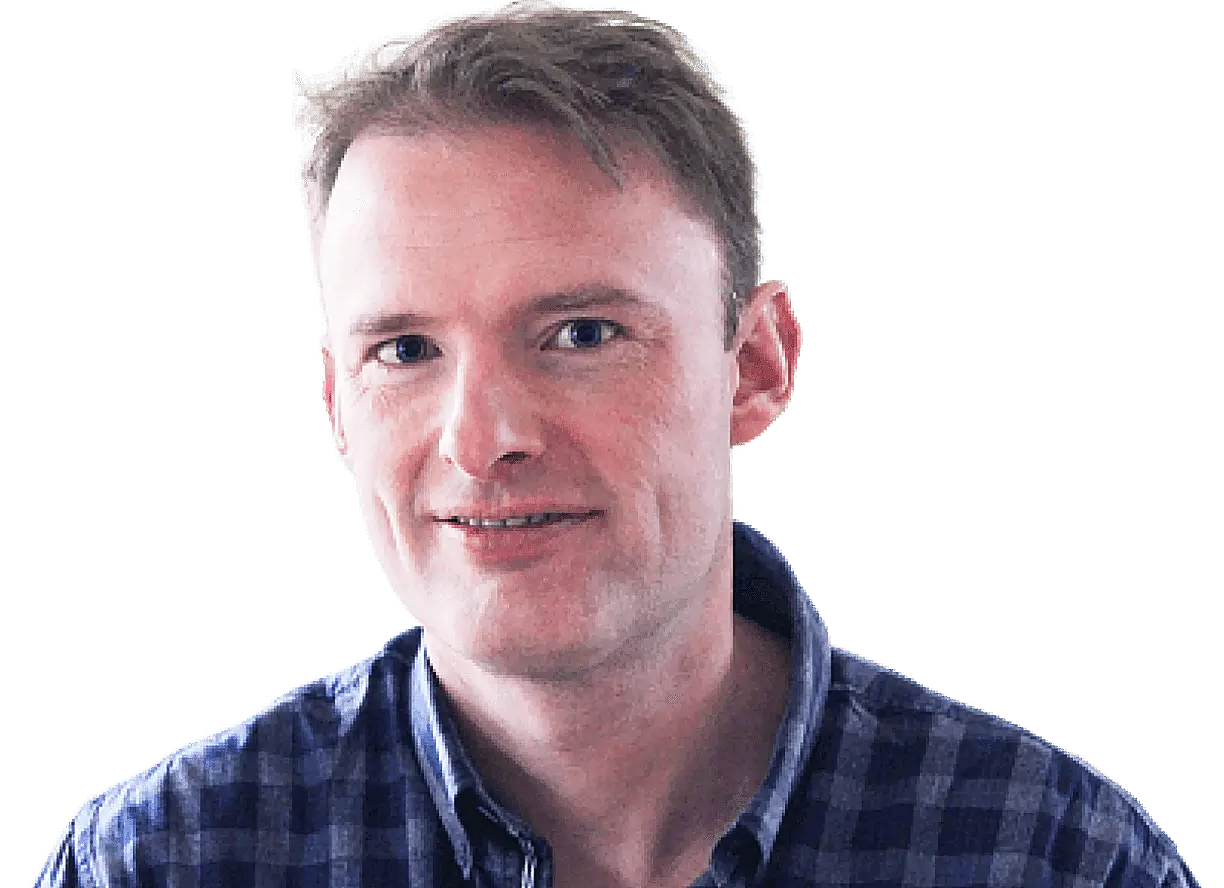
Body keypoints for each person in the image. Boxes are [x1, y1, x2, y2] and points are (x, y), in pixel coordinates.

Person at [35, 3, 1200, 887]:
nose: (483, 439)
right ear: (339, 401)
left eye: (581, 334)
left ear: (757, 367)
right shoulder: (161, 863)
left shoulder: (1054, 858)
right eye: (405, 349)